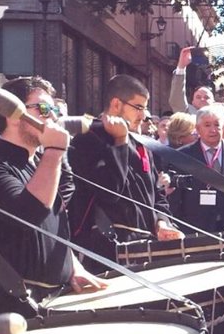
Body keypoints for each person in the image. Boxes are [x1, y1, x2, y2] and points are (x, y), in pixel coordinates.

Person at [0, 76, 104, 320]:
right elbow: (30, 214)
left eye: (55, 110)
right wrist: (55, 152)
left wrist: (70, 266)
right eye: (44, 109)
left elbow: (51, 227)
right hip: (3, 307)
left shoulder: (37, 163)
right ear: (13, 113)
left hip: (47, 303)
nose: (53, 117)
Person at [69, 74, 182, 266]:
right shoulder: (87, 138)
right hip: (104, 249)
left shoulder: (141, 143)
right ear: (116, 104)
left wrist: (162, 222)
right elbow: (110, 191)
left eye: (145, 108)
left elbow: (157, 194)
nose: (143, 115)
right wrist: (120, 143)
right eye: (138, 107)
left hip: (144, 245)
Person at [171, 104, 224, 233]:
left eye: (217, 125)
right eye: (207, 125)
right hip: (195, 228)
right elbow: (176, 199)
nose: (213, 130)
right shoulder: (183, 155)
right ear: (198, 129)